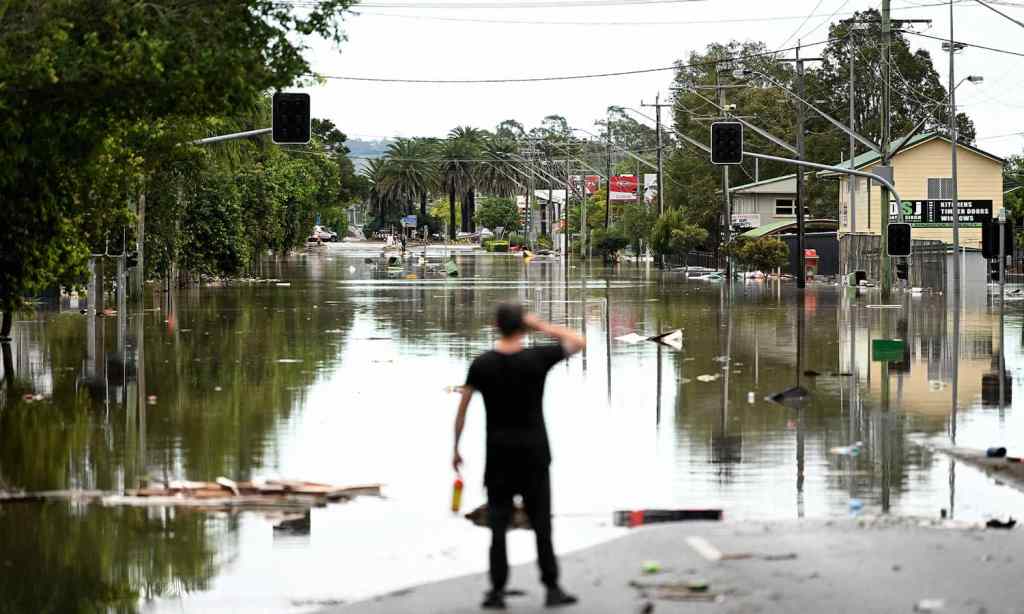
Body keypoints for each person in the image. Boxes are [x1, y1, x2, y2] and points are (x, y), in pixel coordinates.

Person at [453, 304, 586, 610]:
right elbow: (579, 341)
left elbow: (462, 412)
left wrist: (455, 449)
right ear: (523, 327)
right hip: (535, 454)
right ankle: (552, 588)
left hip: (499, 455)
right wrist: (541, 325)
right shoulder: (536, 358)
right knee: (541, 523)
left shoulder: (481, 364)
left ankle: (496, 592)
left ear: (495, 325)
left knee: (498, 526)